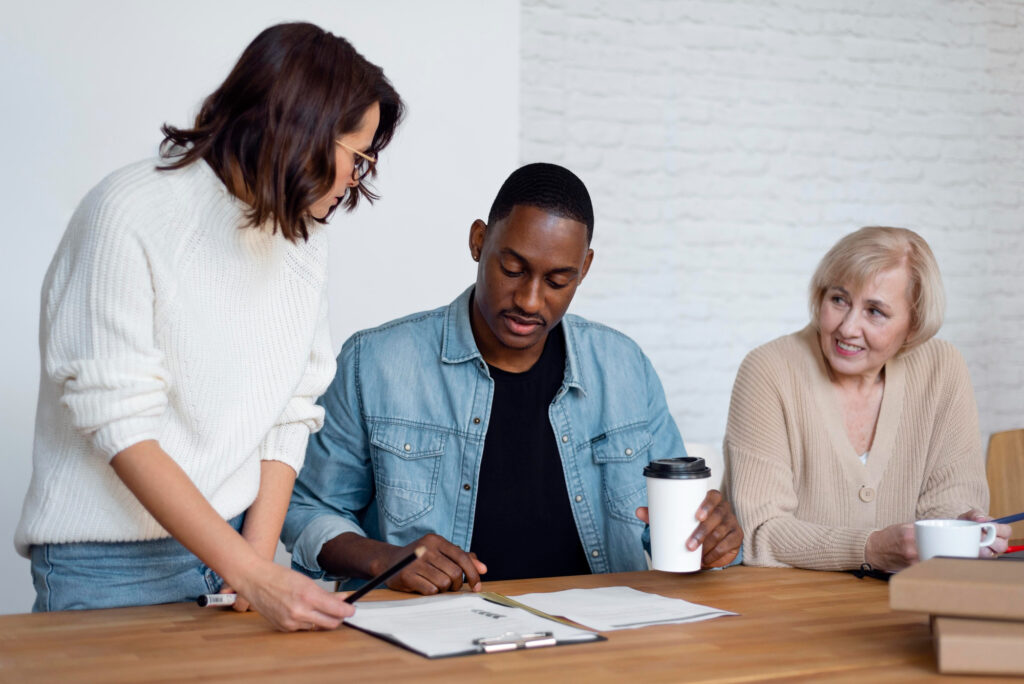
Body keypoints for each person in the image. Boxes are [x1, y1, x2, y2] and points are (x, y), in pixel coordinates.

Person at [15, 22, 404, 631]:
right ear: (302, 130)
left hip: (236, 544)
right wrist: (251, 573)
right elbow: (120, 423)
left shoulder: (302, 239)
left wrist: (255, 559)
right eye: (358, 157)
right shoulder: (127, 212)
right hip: (108, 566)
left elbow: (290, 411)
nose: (358, 179)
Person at [282, 163, 742, 594]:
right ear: (478, 241)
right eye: (513, 269)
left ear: (584, 268)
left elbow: (673, 526)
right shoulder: (376, 363)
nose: (529, 300)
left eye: (558, 281)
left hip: (604, 633)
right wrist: (384, 559)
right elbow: (307, 509)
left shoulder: (624, 367)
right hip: (435, 633)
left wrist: (709, 540)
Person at [724, 226, 1011, 572]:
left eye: (875, 311)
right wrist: (870, 549)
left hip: (908, 599)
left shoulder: (942, 369)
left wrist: (960, 531)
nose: (847, 328)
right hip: (786, 599)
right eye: (839, 300)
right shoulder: (769, 370)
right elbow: (761, 533)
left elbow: (949, 509)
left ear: (914, 323)